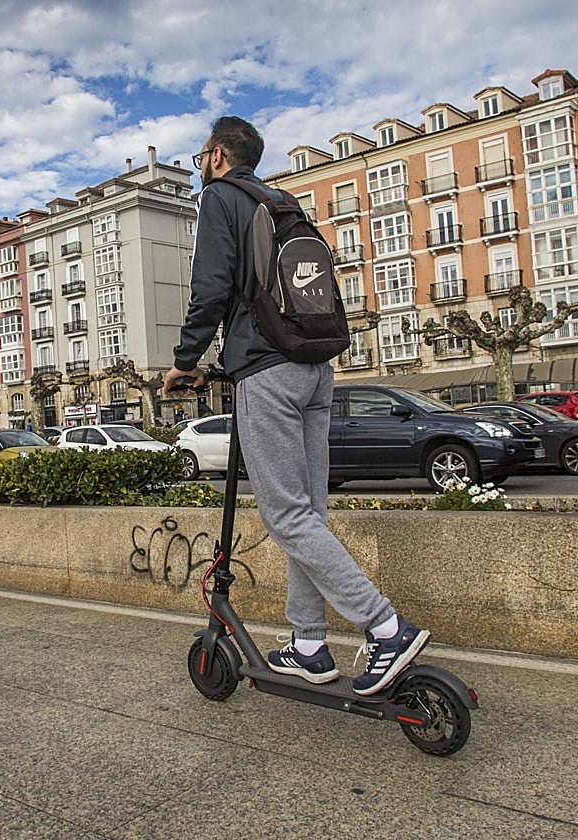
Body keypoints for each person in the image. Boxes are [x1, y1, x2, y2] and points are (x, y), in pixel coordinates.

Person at [162, 116, 430, 695]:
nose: (197, 166)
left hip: (268, 372)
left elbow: (210, 287)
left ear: (214, 156)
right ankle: (309, 645)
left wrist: (186, 362)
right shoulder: (282, 201)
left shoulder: (221, 198)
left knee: (285, 515)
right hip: (314, 368)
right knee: (308, 510)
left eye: (198, 156)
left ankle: (384, 626)